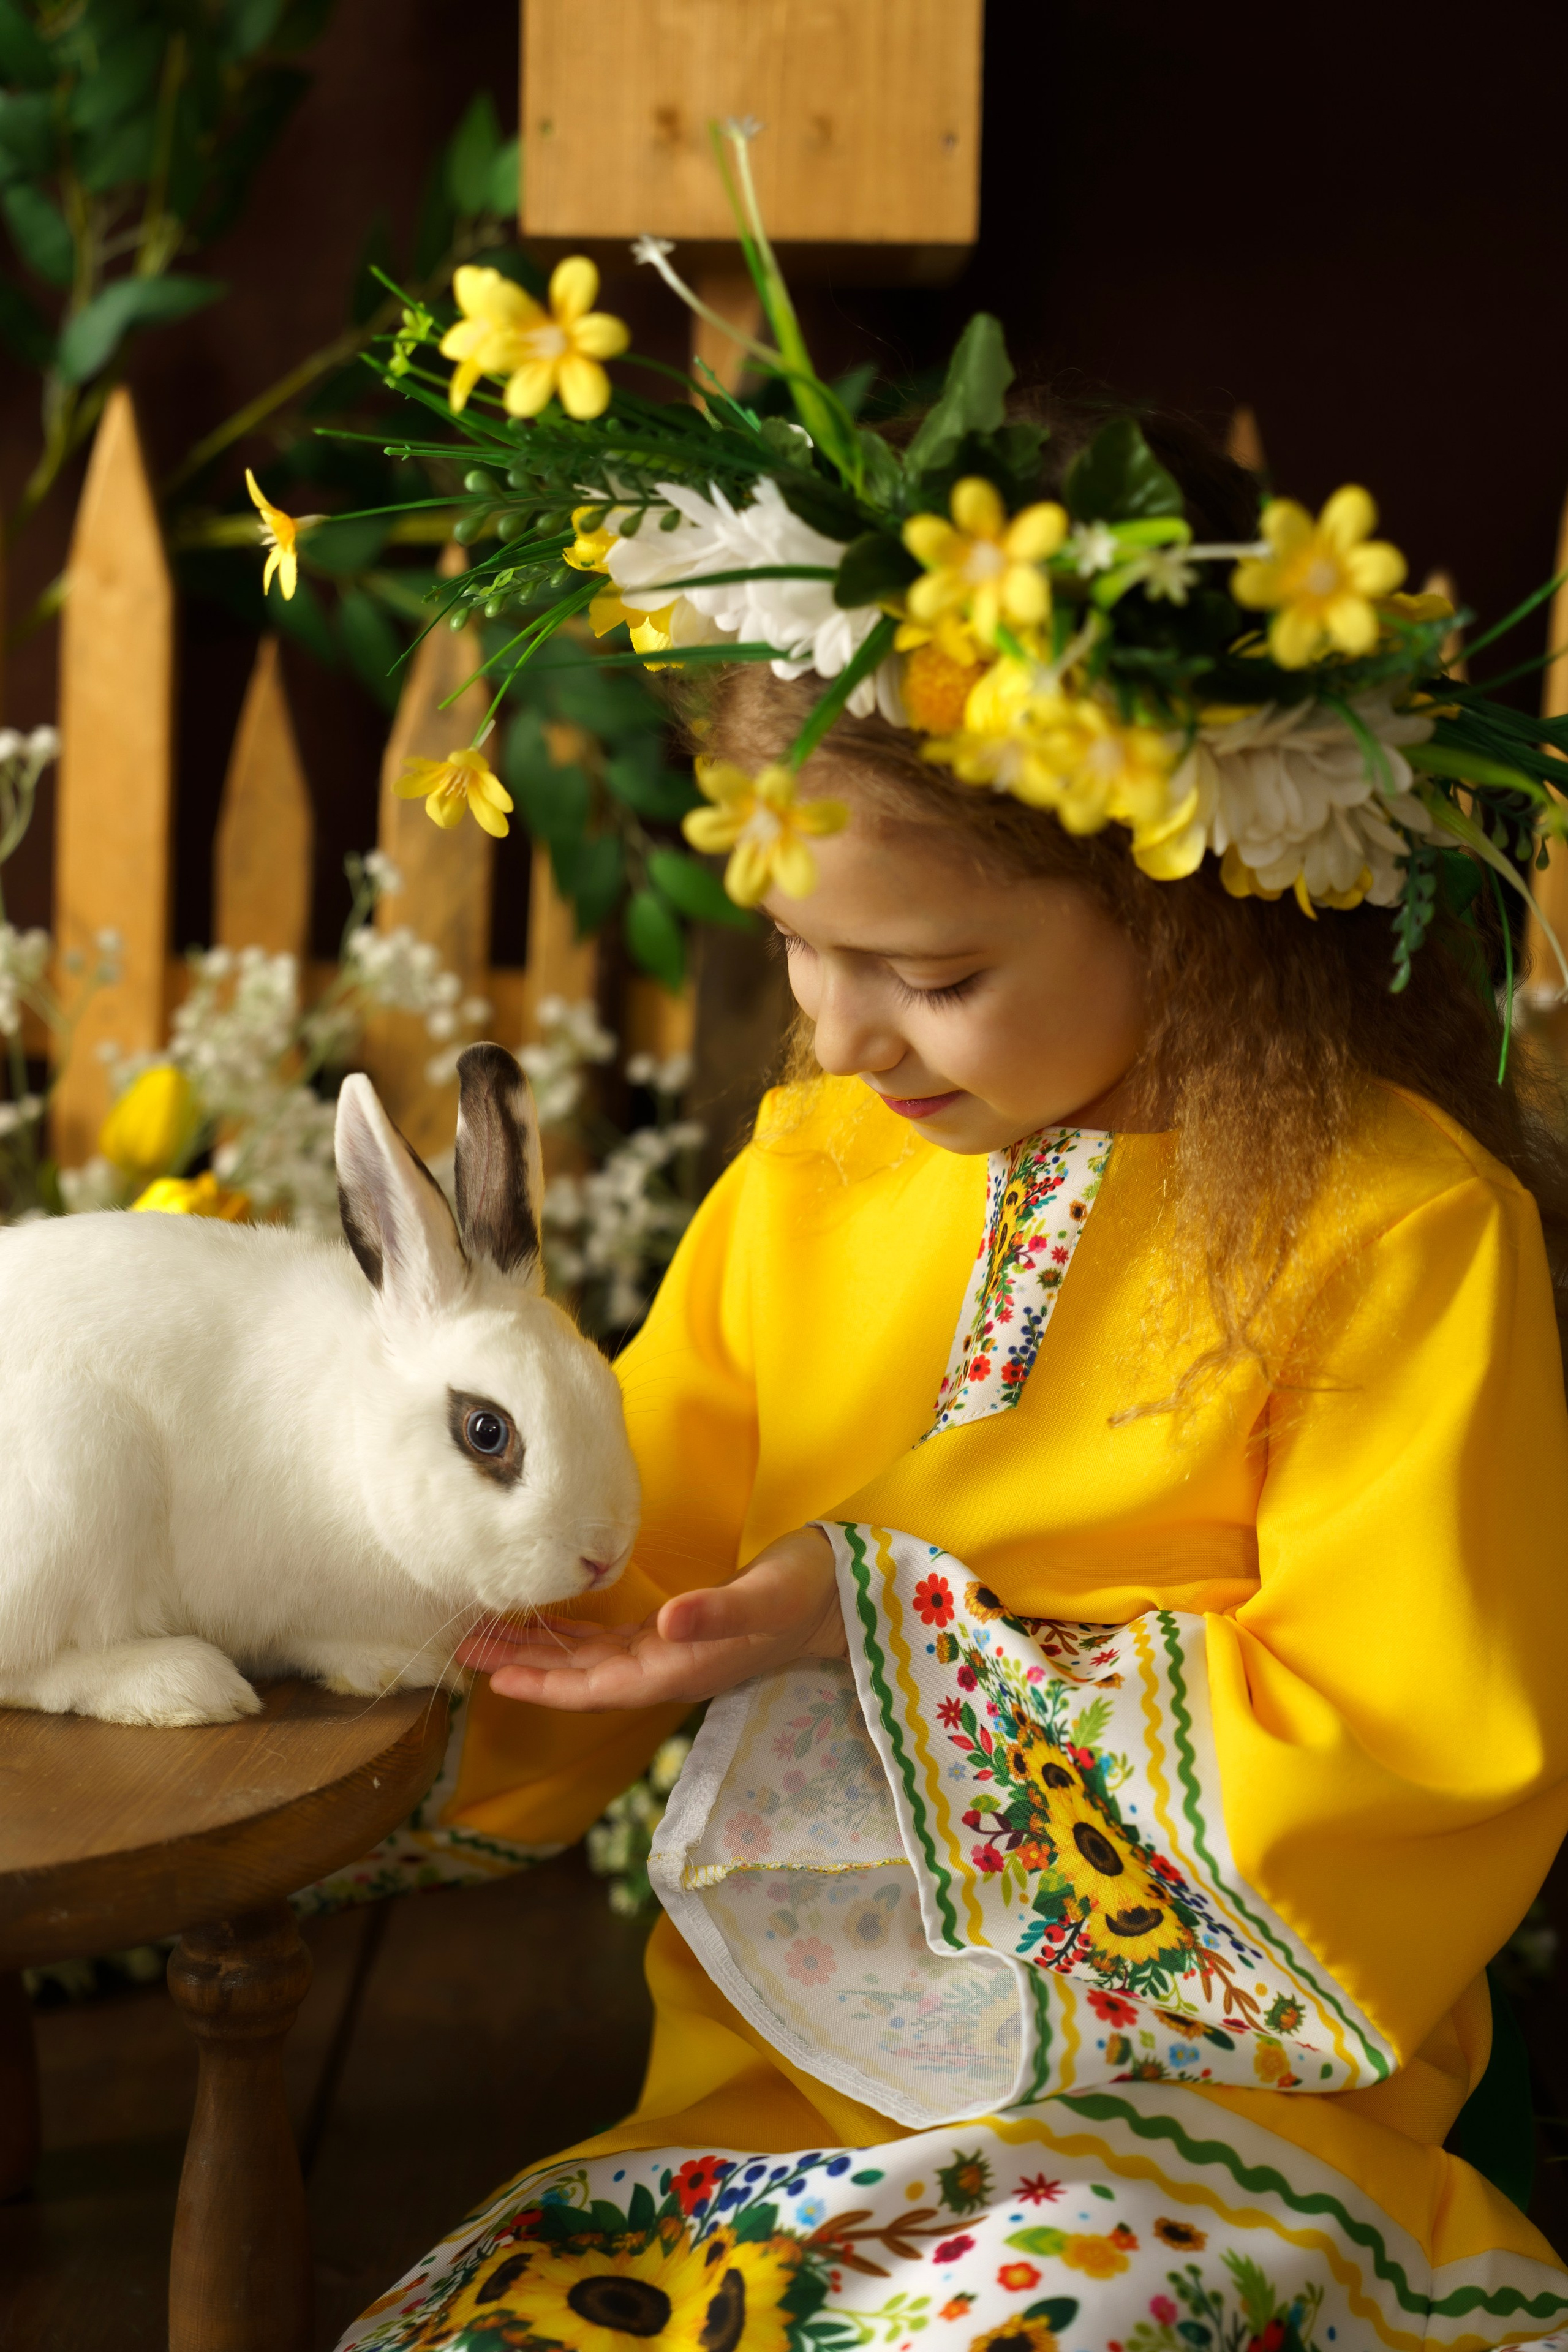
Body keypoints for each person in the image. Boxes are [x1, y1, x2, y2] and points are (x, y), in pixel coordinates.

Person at [333, 383, 1568, 2352]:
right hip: (762, 2102)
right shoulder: (813, 1176)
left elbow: (1414, 1760)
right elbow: (609, 1546)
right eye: (801, 951)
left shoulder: (1402, 1234)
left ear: (1196, 895)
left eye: (935, 977)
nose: (840, 1041)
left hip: (1207, 2108)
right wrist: (342, 1638)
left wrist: (890, 1634)